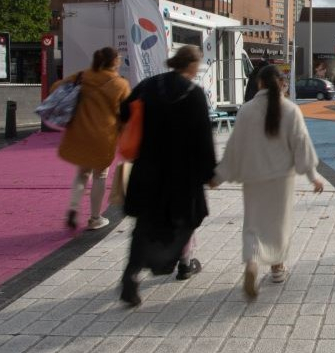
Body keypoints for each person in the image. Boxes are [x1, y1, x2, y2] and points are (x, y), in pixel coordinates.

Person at [118, 45, 216, 307]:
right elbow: (203, 137)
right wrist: (209, 173)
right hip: (182, 173)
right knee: (185, 219)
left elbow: (124, 112)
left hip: (148, 167)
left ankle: (132, 274)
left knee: (144, 225)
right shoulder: (193, 94)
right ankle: (178, 262)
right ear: (192, 66)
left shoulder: (148, 85)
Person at [214, 65, 324, 298]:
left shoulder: (246, 111)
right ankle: (277, 267)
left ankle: (253, 262)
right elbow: (301, 144)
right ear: (281, 84)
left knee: (254, 224)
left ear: (259, 84)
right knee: (278, 225)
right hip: (281, 179)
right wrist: (313, 176)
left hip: (253, 177)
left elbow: (235, 146)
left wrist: (219, 175)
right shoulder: (291, 110)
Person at [55, 47, 131, 231]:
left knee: (82, 173)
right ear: (115, 62)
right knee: (100, 175)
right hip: (104, 135)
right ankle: (95, 218)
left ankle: (73, 207)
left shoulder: (83, 76)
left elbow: (56, 88)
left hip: (80, 132)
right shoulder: (120, 84)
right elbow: (126, 114)